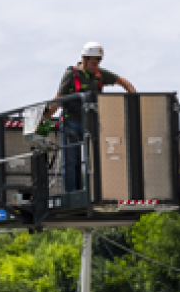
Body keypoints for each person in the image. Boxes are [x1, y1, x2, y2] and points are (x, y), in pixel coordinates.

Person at [44, 43, 136, 192]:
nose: (96, 65)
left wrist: (134, 97)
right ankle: (72, 194)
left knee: (95, 160)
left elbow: (123, 81)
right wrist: (44, 118)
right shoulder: (71, 75)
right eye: (94, 62)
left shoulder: (99, 74)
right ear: (85, 59)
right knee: (71, 161)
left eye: (99, 62)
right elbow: (59, 99)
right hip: (71, 123)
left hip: (92, 123)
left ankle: (95, 193)